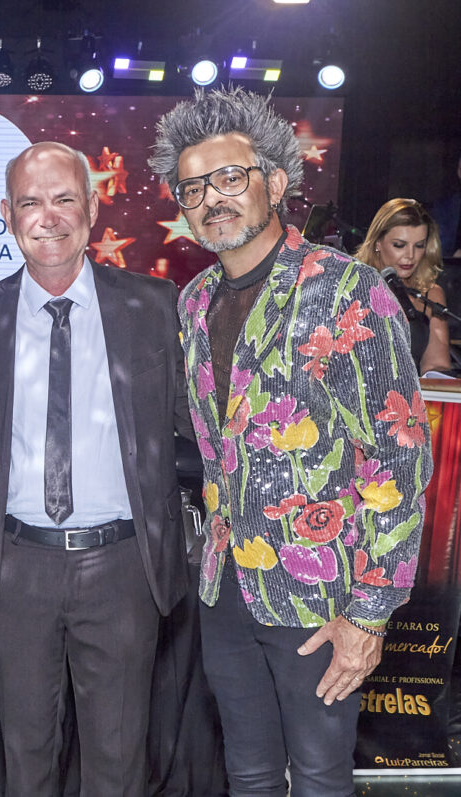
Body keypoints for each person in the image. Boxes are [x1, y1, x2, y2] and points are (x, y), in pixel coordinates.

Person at [0, 141, 192, 796]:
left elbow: (199, 424)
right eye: (30, 202)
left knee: (118, 766)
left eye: (64, 198)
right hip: (15, 569)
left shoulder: (155, 306)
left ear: (92, 207)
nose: (49, 217)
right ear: (7, 215)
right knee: (26, 763)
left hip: (123, 566)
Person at [149, 86, 432, 797]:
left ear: (275, 183)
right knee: (247, 776)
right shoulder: (193, 303)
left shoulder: (348, 291)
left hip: (322, 597)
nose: (212, 199)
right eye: (193, 188)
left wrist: (369, 613)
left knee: (319, 778)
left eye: (229, 177)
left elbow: (398, 460)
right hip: (225, 588)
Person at [356, 198, 452, 374]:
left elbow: (436, 368)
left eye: (419, 246)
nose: (410, 255)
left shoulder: (430, 295)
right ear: (377, 243)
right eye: (399, 245)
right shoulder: (351, 287)